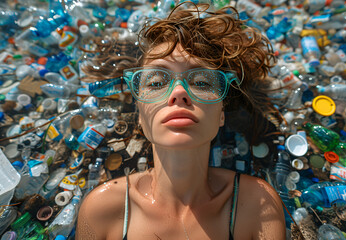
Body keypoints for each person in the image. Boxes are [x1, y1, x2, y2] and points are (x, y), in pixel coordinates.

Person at [76, 3, 286, 240]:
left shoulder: (258, 206)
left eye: (201, 82)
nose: (178, 91)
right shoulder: (102, 209)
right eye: (156, 83)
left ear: (221, 114)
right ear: (140, 115)